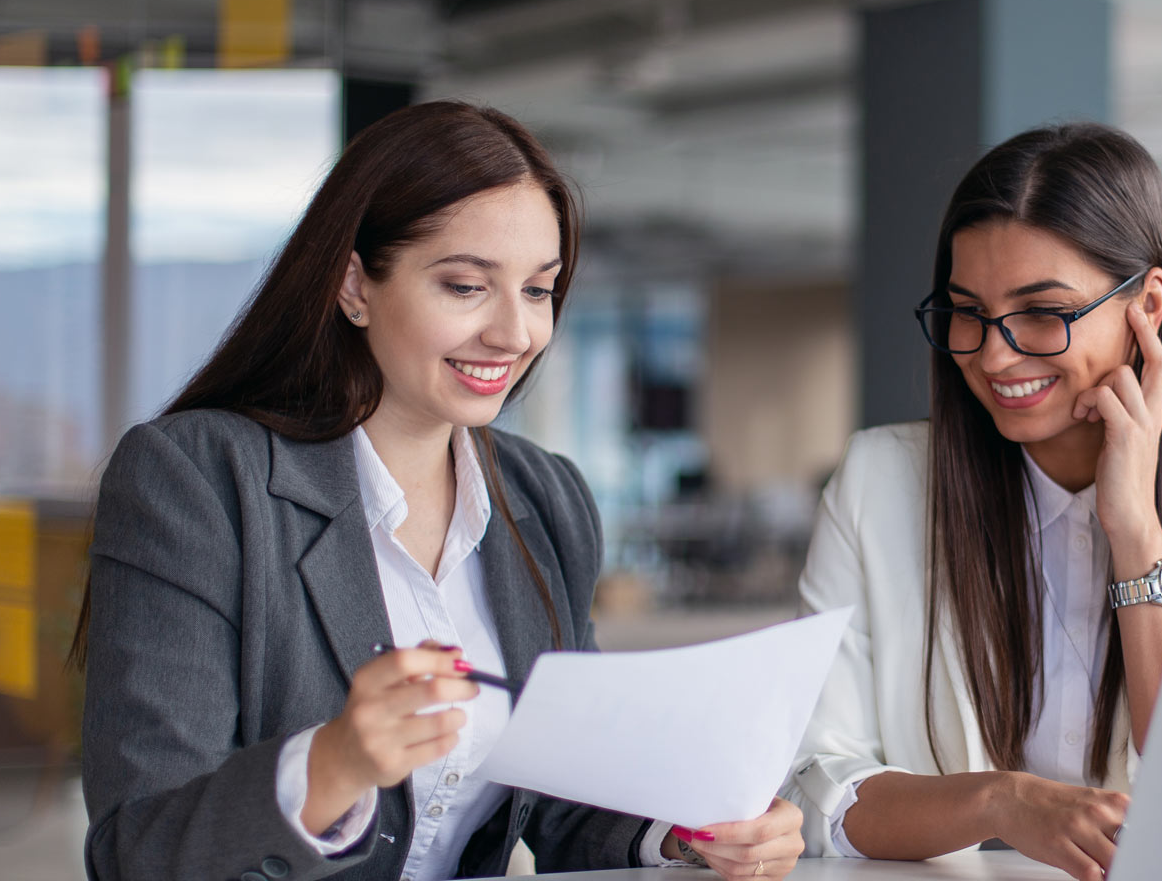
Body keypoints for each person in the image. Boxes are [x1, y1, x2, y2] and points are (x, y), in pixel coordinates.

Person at [75, 101, 803, 881]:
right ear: (354, 284)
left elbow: (567, 801)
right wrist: (328, 768)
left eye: (538, 290)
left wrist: (691, 828)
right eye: (465, 287)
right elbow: (137, 847)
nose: (515, 334)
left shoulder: (545, 497)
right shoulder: (200, 482)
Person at [783, 123, 1162, 881]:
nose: (994, 354)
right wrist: (1000, 802)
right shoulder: (878, 482)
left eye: (1043, 313)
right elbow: (817, 788)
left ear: (1146, 304)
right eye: (967, 312)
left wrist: (1136, 529)